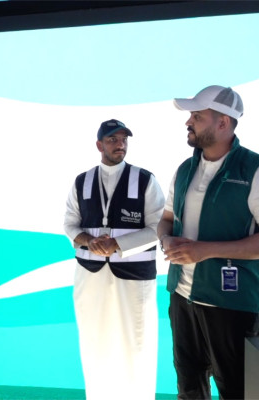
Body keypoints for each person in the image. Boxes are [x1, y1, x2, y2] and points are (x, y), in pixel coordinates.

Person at [157, 85, 259, 399]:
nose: (188, 122)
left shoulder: (253, 170)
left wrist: (205, 251)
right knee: (189, 386)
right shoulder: (184, 170)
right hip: (181, 298)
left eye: (197, 116)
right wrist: (165, 239)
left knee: (239, 389)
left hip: (231, 303)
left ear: (223, 123)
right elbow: (166, 219)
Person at [63, 119, 164, 400]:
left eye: (123, 140)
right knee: (93, 341)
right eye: (112, 140)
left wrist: (117, 245)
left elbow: (159, 227)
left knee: (136, 343)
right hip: (90, 273)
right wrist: (88, 241)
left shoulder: (144, 180)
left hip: (134, 276)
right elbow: (70, 223)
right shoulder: (82, 181)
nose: (120, 145)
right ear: (99, 145)